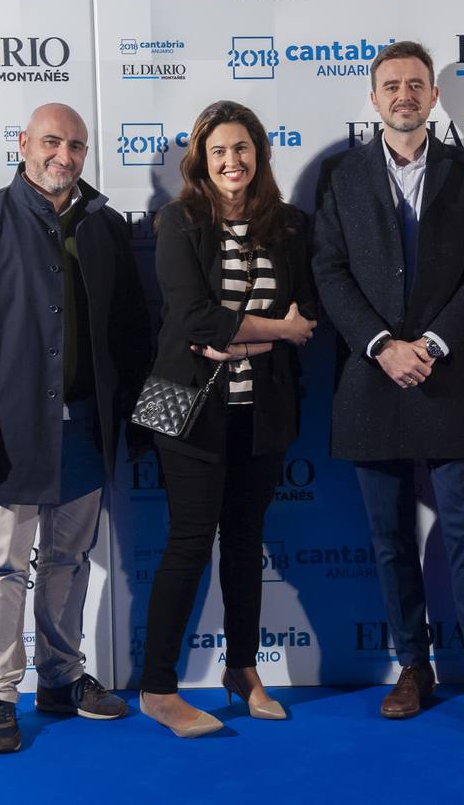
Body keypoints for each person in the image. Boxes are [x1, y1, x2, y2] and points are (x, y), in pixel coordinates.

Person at [312, 40, 464, 734]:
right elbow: (329, 272)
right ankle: (413, 665)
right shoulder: (340, 175)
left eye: (415, 84)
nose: (404, 95)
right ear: (373, 99)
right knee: (389, 538)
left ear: (434, 97)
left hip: (443, 377)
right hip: (371, 382)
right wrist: (381, 346)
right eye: (391, 85)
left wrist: (431, 344)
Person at [0, 103, 152, 754]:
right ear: (23, 144)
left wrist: (134, 427)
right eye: (52, 141)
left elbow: (130, 334)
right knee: (2, 565)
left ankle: (60, 677)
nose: (65, 155)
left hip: (86, 427)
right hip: (6, 433)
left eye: (77, 146)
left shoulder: (106, 227)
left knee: (67, 559)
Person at [137, 101, 318, 737]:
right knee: (189, 542)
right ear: (201, 161)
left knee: (245, 542)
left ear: (260, 156)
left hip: (262, 407)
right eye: (218, 152)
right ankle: (158, 689)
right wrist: (275, 329)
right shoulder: (178, 220)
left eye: (241, 149)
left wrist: (245, 338)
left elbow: (308, 318)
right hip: (178, 401)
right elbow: (191, 320)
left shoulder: (292, 226)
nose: (231, 161)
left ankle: (242, 668)